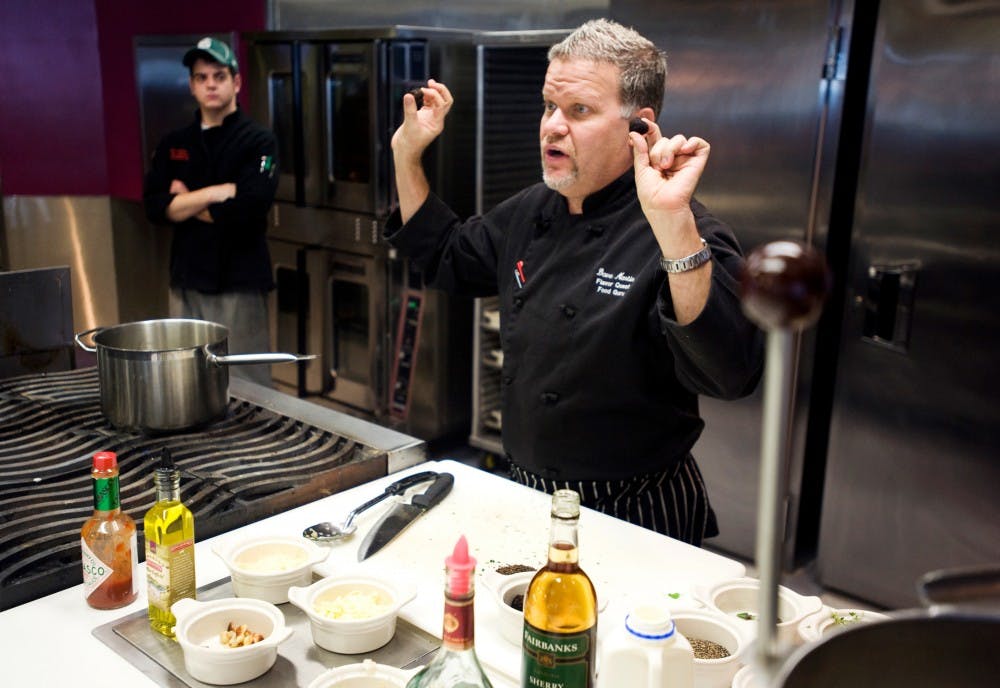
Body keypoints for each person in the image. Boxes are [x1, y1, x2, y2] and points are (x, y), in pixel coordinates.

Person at [386, 19, 764, 546]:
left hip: (638, 511)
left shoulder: (682, 229)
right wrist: (407, 155)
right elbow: (449, 254)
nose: (552, 126)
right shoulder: (532, 209)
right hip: (529, 496)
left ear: (639, 124)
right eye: (548, 106)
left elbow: (730, 373)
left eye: (579, 110)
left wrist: (675, 227)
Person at [144, 37, 278, 387]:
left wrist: (184, 203)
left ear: (235, 82)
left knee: (247, 384)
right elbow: (155, 208)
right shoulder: (175, 143)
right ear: (191, 86)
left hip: (240, 283)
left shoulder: (258, 141)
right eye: (201, 77)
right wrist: (217, 193)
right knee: (186, 380)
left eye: (218, 76)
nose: (210, 85)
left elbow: (250, 208)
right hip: (186, 280)